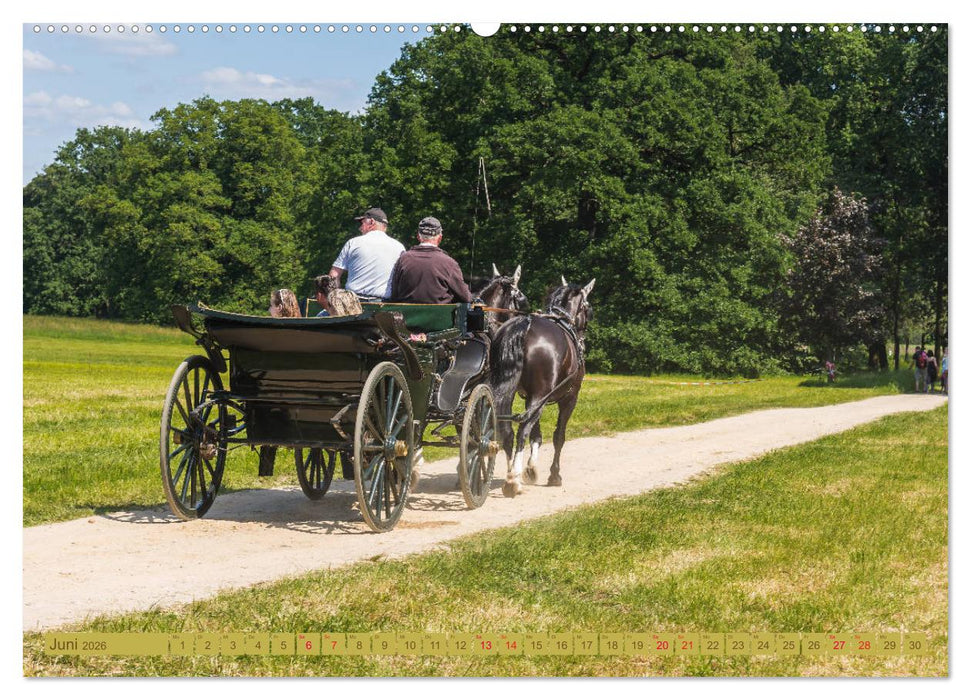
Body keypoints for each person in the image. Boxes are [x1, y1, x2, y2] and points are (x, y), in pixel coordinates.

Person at [388, 216, 473, 304]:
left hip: (407, 316)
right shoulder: (449, 263)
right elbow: (466, 297)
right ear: (440, 238)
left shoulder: (403, 259)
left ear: (418, 236)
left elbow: (394, 294)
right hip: (440, 317)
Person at [329, 207, 404, 301]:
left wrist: (336, 301)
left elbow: (333, 276)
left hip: (354, 304)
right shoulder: (399, 247)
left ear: (372, 222)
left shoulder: (353, 243)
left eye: (362, 223)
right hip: (385, 307)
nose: (360, 228)